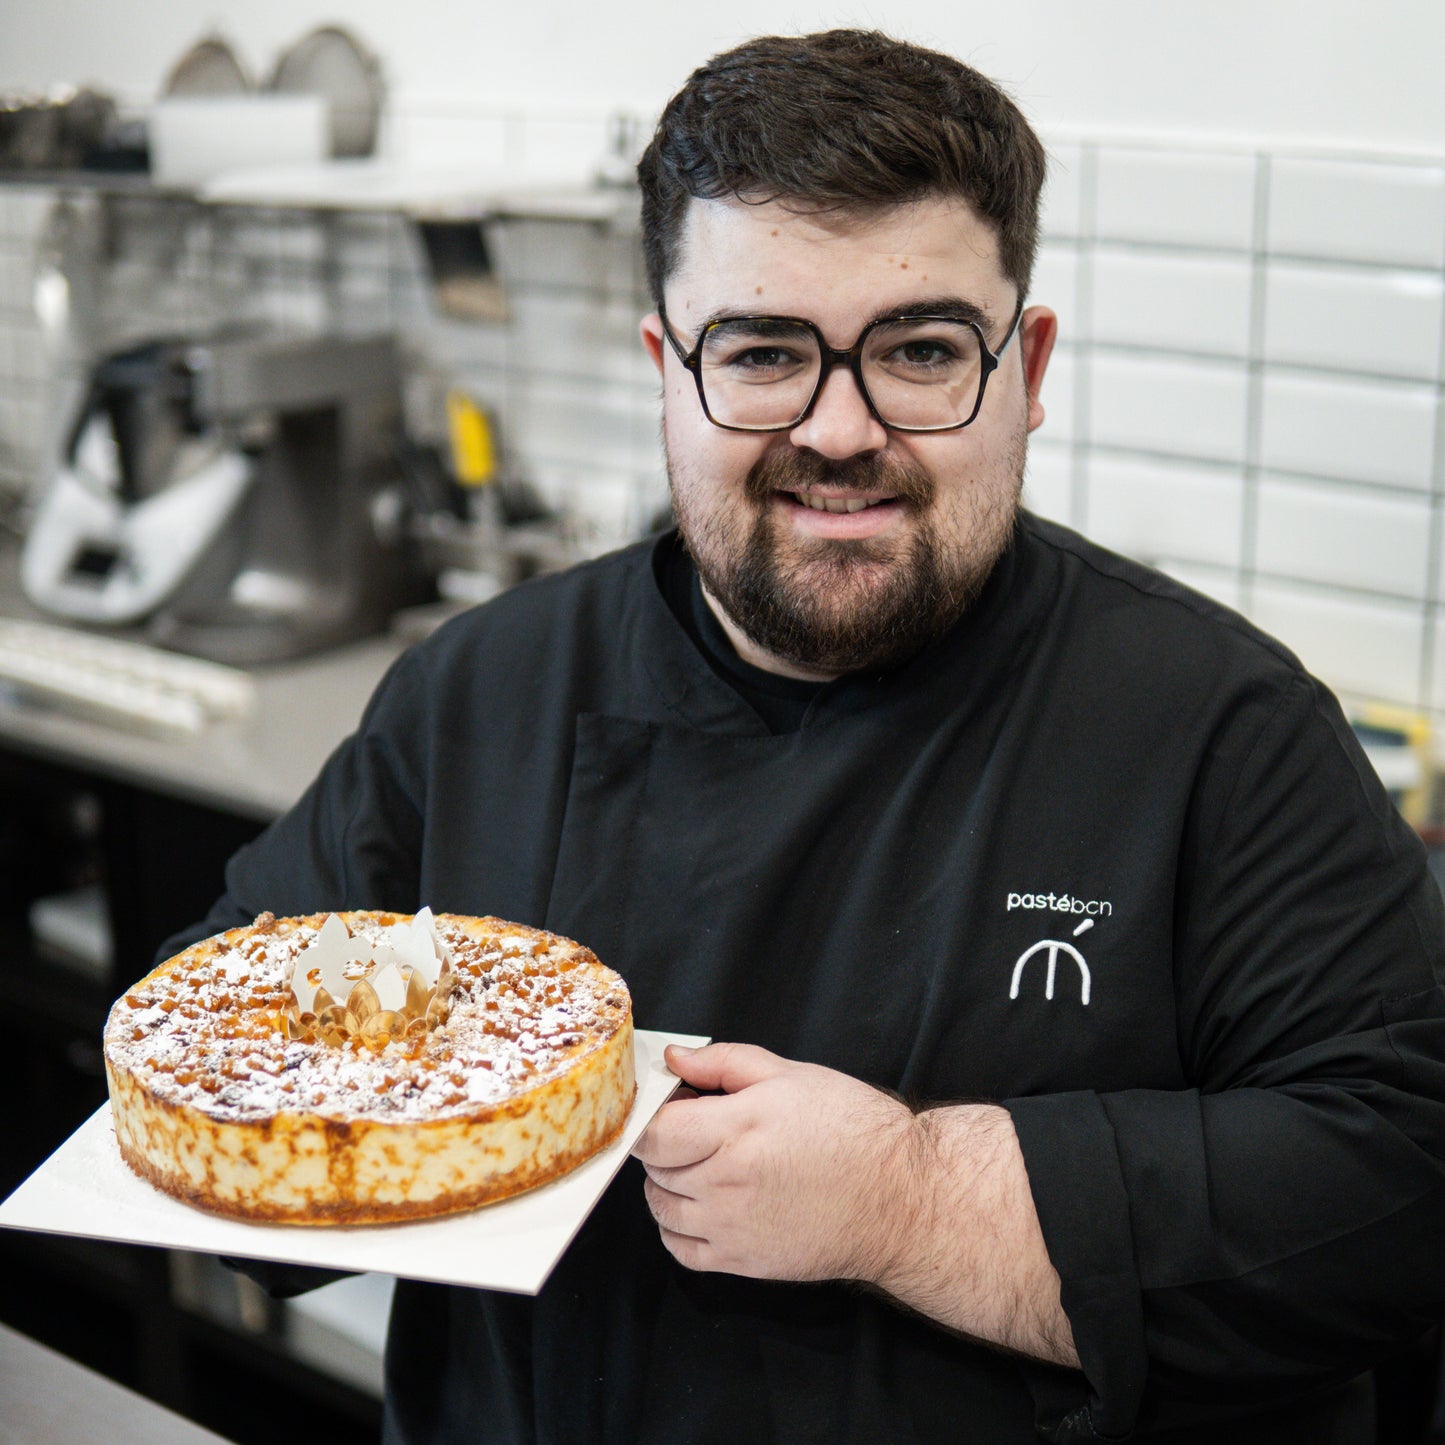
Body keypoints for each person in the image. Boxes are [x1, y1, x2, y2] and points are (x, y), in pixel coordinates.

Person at [192, 28, 1445, 1444]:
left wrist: (909, 1198)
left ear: (1026, 366)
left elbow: (1399, 1176)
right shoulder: (483, 690)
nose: (840, 429)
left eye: (918, 349)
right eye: (765, 351)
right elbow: (216, 1042)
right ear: (666, 369)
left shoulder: (1218, 730)